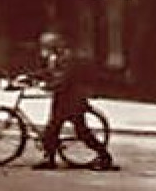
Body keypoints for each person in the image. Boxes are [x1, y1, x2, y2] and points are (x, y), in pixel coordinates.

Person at [31, 31, 114, 171]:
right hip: (61, 99)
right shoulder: (54, 58)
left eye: (46, 46)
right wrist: (30, 77)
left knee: (81, 132)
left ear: (55, 46)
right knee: (52, 129)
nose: (43, 49)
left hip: (73, 100)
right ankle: (49, 159)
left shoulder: (67, 58)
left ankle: (105, 157)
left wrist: (48, 86)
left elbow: (64, 79)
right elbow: (48, 72)